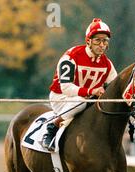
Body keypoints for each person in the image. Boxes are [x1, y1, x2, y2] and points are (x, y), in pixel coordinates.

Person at [43, 18, 117, 151]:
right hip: (61, 98)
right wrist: (91, 92)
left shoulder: (107, 64)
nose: (102, 45)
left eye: (105, 41)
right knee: (80, 102)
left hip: (87, 101)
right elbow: (65, 88)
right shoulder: (72, 56)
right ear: (88, 41)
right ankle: (52, 127)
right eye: (97, 40)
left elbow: (115, 86)